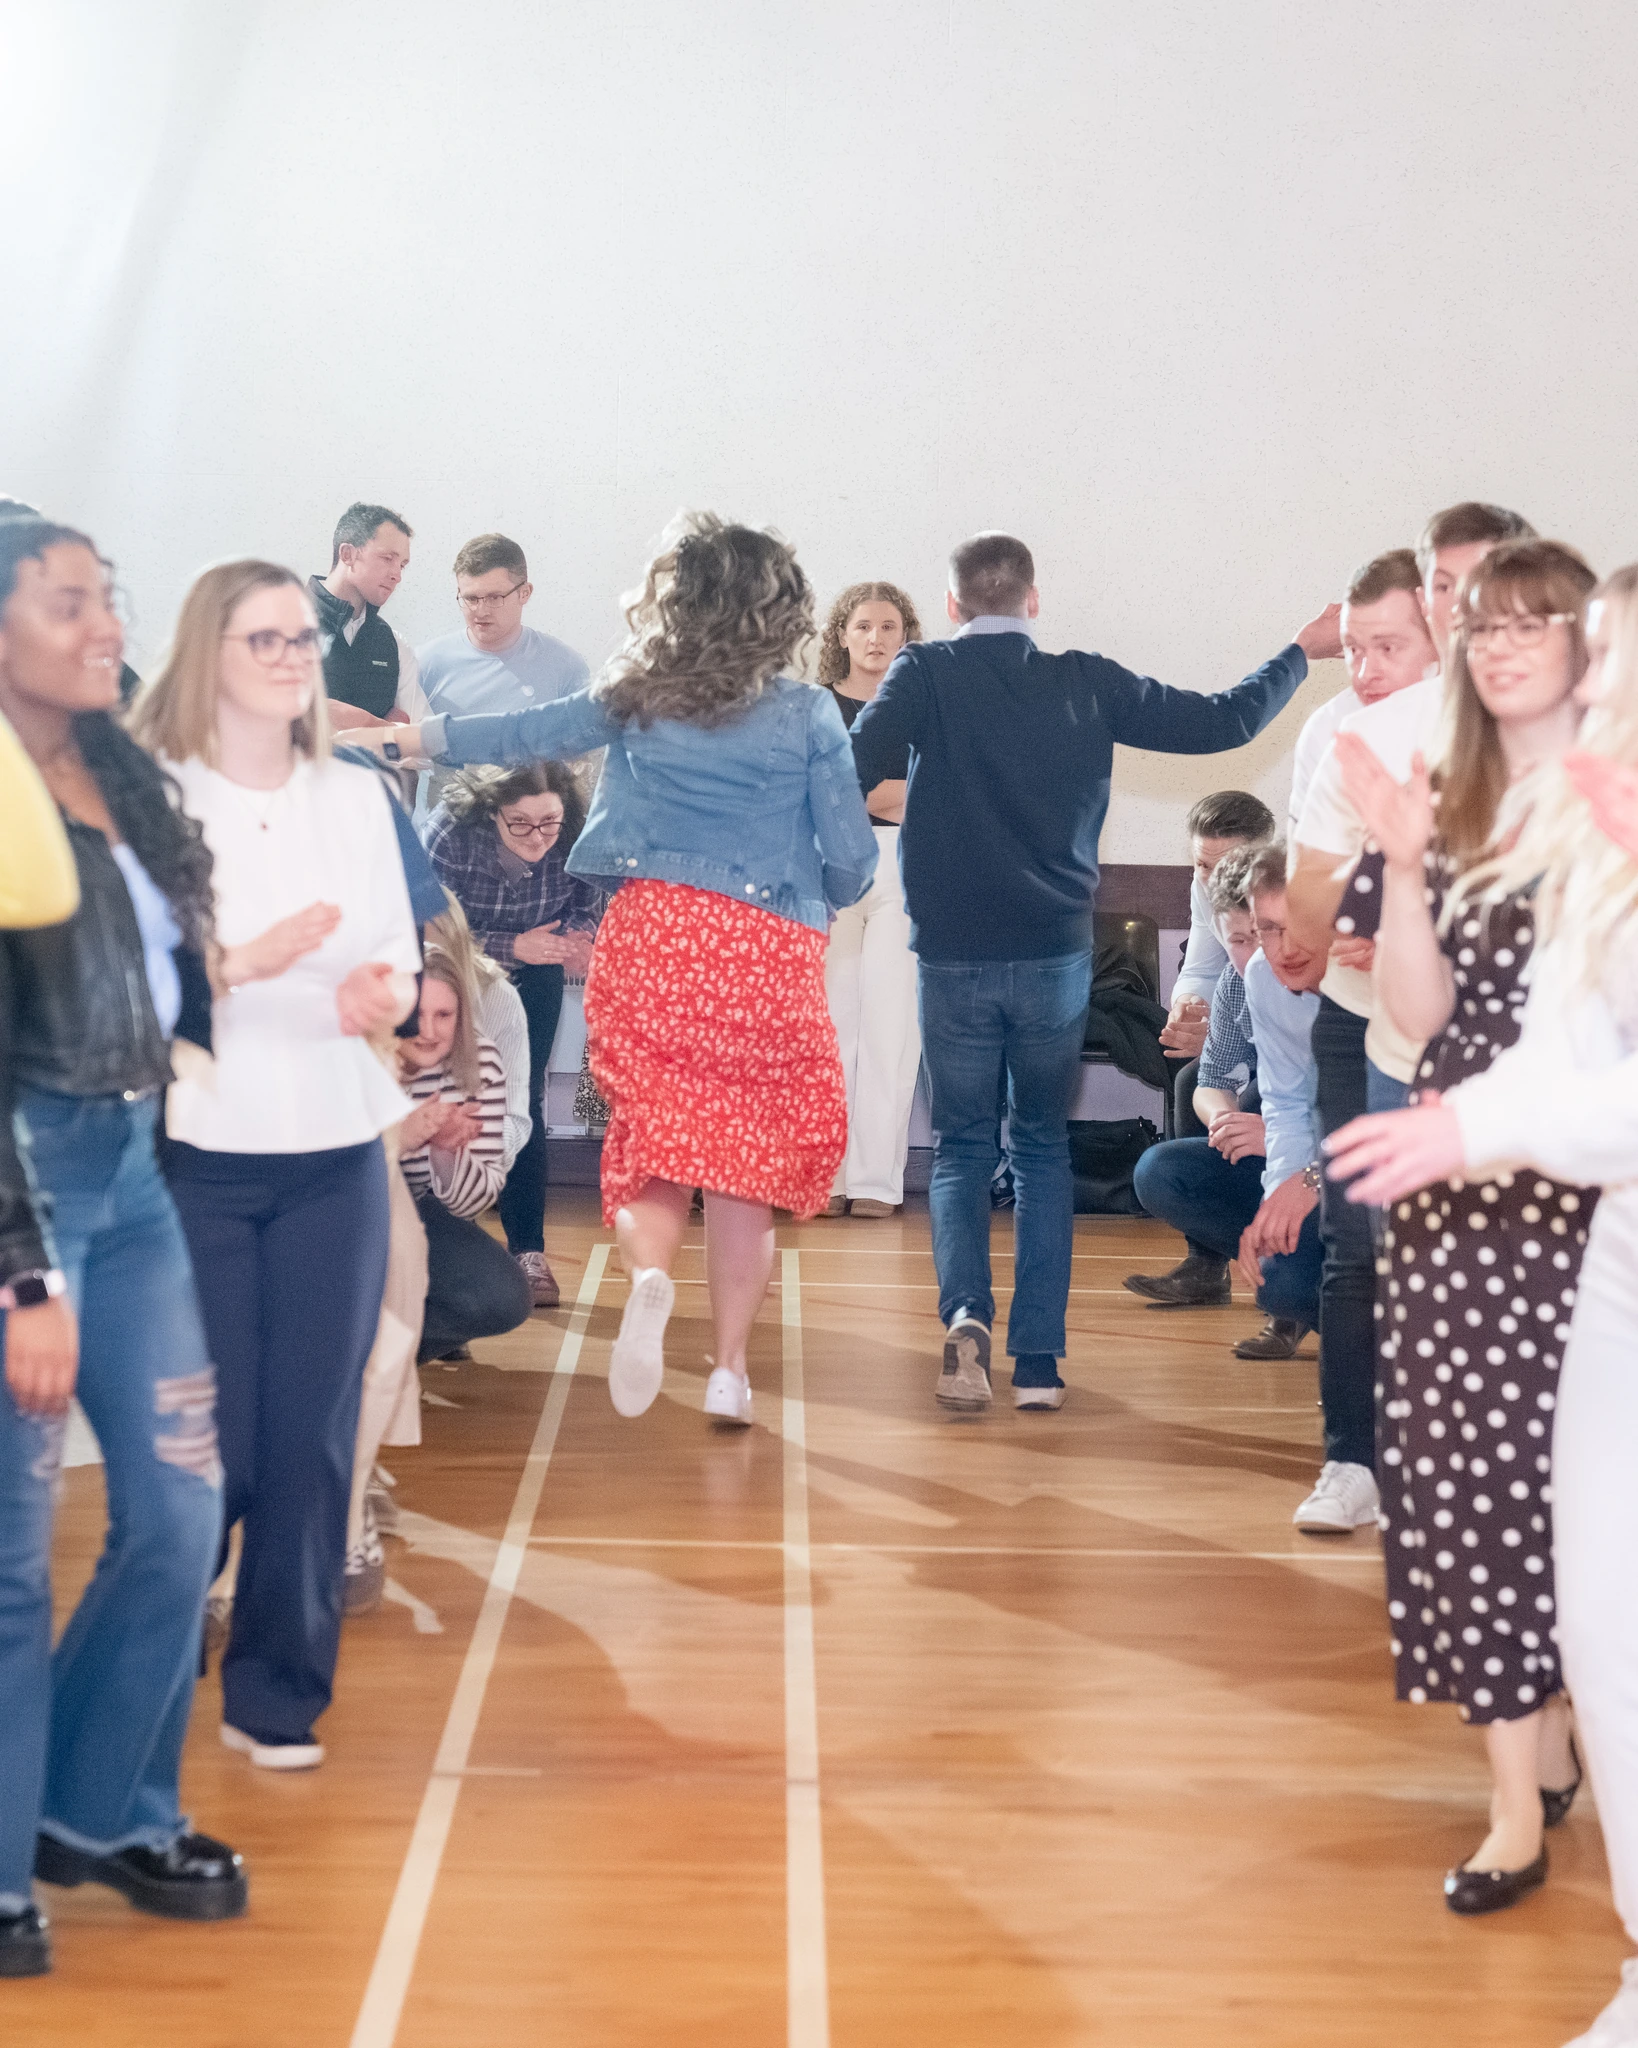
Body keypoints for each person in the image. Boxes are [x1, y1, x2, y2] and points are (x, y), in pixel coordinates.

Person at [354, 512, 876, 1426]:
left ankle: (647, 1279)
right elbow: (850, 855)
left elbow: (518, 732)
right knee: (743, 1168)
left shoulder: (636, 688)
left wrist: (396, 743)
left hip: (656, 934)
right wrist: (825, 889)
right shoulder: (806, 711)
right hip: (765, 947)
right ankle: (729, 1372)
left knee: (652, 1143)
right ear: (776, 609)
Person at [1325, 565, 1638, 2046]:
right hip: (1459, 1167)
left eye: (1535, 622)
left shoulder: (1606, 796)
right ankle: (1515, 1798)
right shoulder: (1441, 801)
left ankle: (1581, 1732)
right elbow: (1415, 1022)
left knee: (1572, 1502)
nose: (1505, 647)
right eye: (1485, 627)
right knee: (1463, 1489)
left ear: (1588, 644)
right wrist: (1394, 864)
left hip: (1587, 1183)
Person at [848, 530, 1338, 1413]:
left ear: (953, 605)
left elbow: (849, 766)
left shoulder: (922, 673)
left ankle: (966, 1317)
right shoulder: (1086, 679)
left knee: (961, 1147)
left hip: (953, 953)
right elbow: (1224, 719)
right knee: (1037, 1145)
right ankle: (1038, 1364)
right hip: (1053, 955)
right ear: (1033, 601)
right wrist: (1300, 651)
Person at [0, 519, 244, 1978]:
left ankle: (98, 1811)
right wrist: (20, 1275)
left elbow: (164, 982)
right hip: (25, 1192)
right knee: (11, 1566)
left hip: (133, 1182)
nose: (106, 624)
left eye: (108, 599)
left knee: (176, 1515)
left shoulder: (119, 771)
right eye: (70, 603)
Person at [130, 559, 421, 1771]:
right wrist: (237, 964)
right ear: (212, 654)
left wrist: (376, 993)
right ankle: (143, 1667)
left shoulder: (350, 797)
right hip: (197, 1150)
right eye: (267, 639)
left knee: (308, 1433)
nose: (297, 655)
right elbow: (124, 992)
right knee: (217, 1443)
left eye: (303, 637)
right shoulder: (149, 796)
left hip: (333, 1149)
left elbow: (398, 962)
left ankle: (277, 1695)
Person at [1283, 508, 1532, 1535]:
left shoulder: (1570, 724)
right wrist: (1378, 910)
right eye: (1440, 585)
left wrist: (1404, 908)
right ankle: (1355, 1458)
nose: (1455, 605)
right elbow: (1304, 901)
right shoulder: (1366, 733)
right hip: (1369, 1025)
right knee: (1367, 1244)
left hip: (1514, 1040)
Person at [1125, 844, 1320, 1360]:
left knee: (1292, 1285)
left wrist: (1284, 1148)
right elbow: (1225, 1080)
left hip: (1344, 1163)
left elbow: (1365, 1107)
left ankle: (1344, 1305)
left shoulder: (1333, 977)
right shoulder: (1249, 979)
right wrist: (1232, 1125)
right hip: (1289, 1147)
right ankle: (1280, 1275)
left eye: (1269, 932)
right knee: (1160, 1167)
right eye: (1241, 939)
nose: (1262, 951)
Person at [423, 762, 603, 1306]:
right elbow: (429, 923)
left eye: (549, 822)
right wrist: (510, 945)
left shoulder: (578, 832)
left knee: (523, 1100)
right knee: (444, 1097)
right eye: (519, 824)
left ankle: (529, 1250)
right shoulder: (451, 831)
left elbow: (589, 910)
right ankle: (443, 1245)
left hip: (536, 972)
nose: (537, 837)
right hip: (452, 969)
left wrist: (578, 942)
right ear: (491, 811)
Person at [818, 579, 924, 1217]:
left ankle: (876, 1184)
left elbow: (930, 791)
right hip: (827, 868)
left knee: (892, 1028)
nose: (876, 638)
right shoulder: (815, 706)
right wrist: (888, 790)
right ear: (842, 636)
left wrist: (853, 792)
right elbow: (814, 792)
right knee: (832, 1030)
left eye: (888, 626)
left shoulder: (923, 702)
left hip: (905, 868)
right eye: (863, 626)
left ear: (905, 634)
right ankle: (824, 1180)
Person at [398, 950, 531, 1362]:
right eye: (417, 1014)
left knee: (504, 1297)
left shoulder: (482, 1062)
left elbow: (475, 1200)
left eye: (444, 1015)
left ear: (462, 1018)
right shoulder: (368, 1057)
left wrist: (445, 1156)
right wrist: (399, 1139)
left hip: (420, 1210)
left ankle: (388, 1364)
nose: (429, 1031)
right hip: (355, 1209)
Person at [1286, 548, 1433, 834]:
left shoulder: (1486, 717)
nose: (1365, 673)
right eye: (1354, 649)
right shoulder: (1328, 729)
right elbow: (1307, 871)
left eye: (1388, 648)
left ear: (1437, 638)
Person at [1160, 791, 1277, 1102]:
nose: (1212, 882)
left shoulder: (1289, 897)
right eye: (1202, 865)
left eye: (1226, 865)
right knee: (1186, 1076)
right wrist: (1191, 1008)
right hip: (1245, 1015)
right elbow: (1200, 968)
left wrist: (1222, 1036)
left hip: (1291, 1041)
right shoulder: (1202, 887)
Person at [308, 503, 430, 729]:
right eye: (387, 558)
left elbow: (422, 743)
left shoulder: (393, 645)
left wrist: (369, 726)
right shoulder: (285, 629)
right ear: (347, 554)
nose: (397, 576)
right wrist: (385, 729)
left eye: (402, 565)